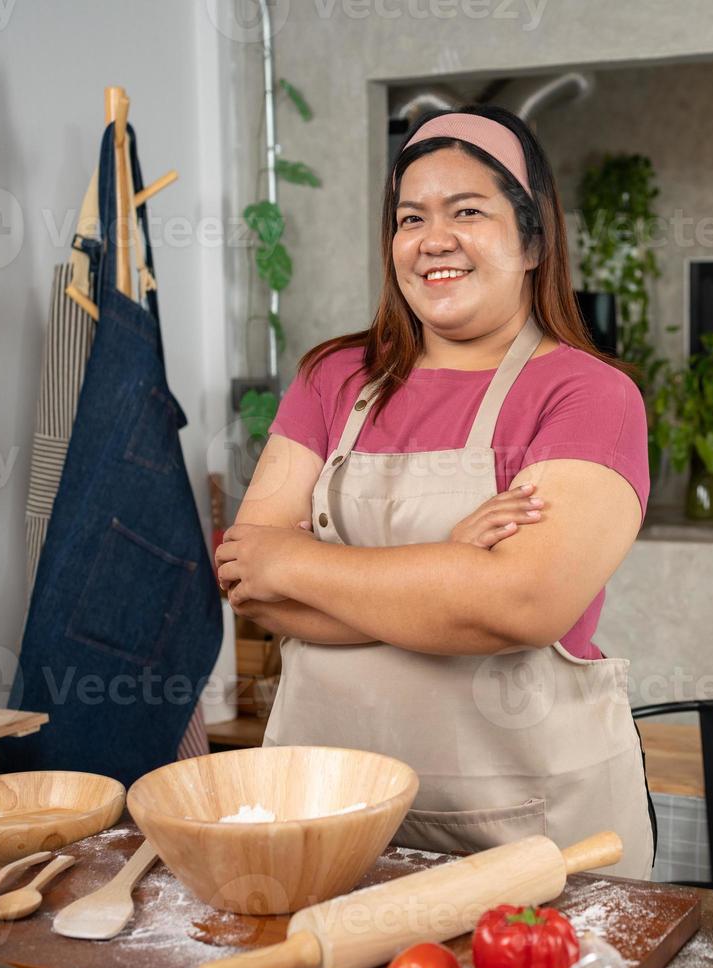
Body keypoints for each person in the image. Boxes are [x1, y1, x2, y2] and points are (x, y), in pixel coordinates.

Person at [214, 106, 656, 878]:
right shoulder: (333, 379)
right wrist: (449, 568)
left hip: (533, 837)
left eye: (469, 212)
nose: (433, 239)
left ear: (533, 240)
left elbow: (521, 603)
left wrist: (300, 561)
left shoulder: (590, 395)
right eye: (410, 217)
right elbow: (248, 577)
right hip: (329, 815)